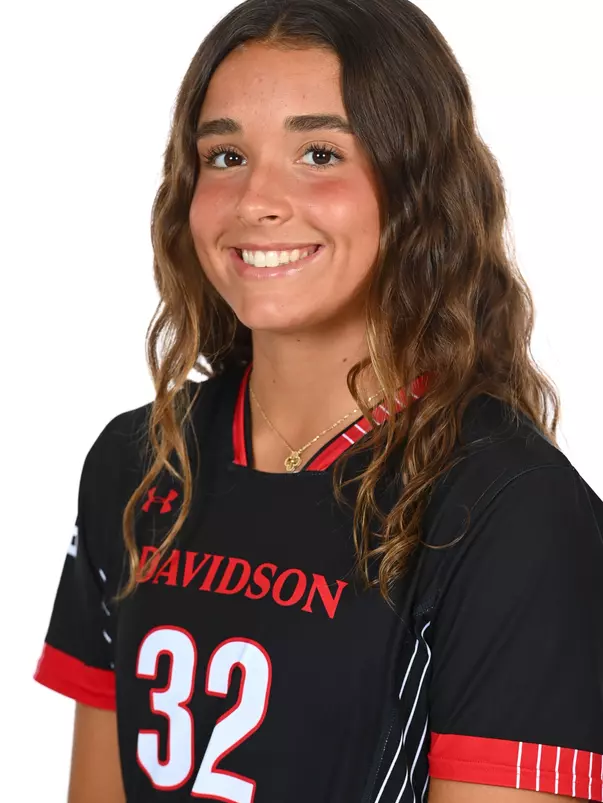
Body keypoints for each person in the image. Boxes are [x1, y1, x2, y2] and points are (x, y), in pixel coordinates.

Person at [34, 0, 603, 801]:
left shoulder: (511, 510)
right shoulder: (135, 461)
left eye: (318, 152)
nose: (255, 200)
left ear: (416, 186)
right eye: (224, 155)